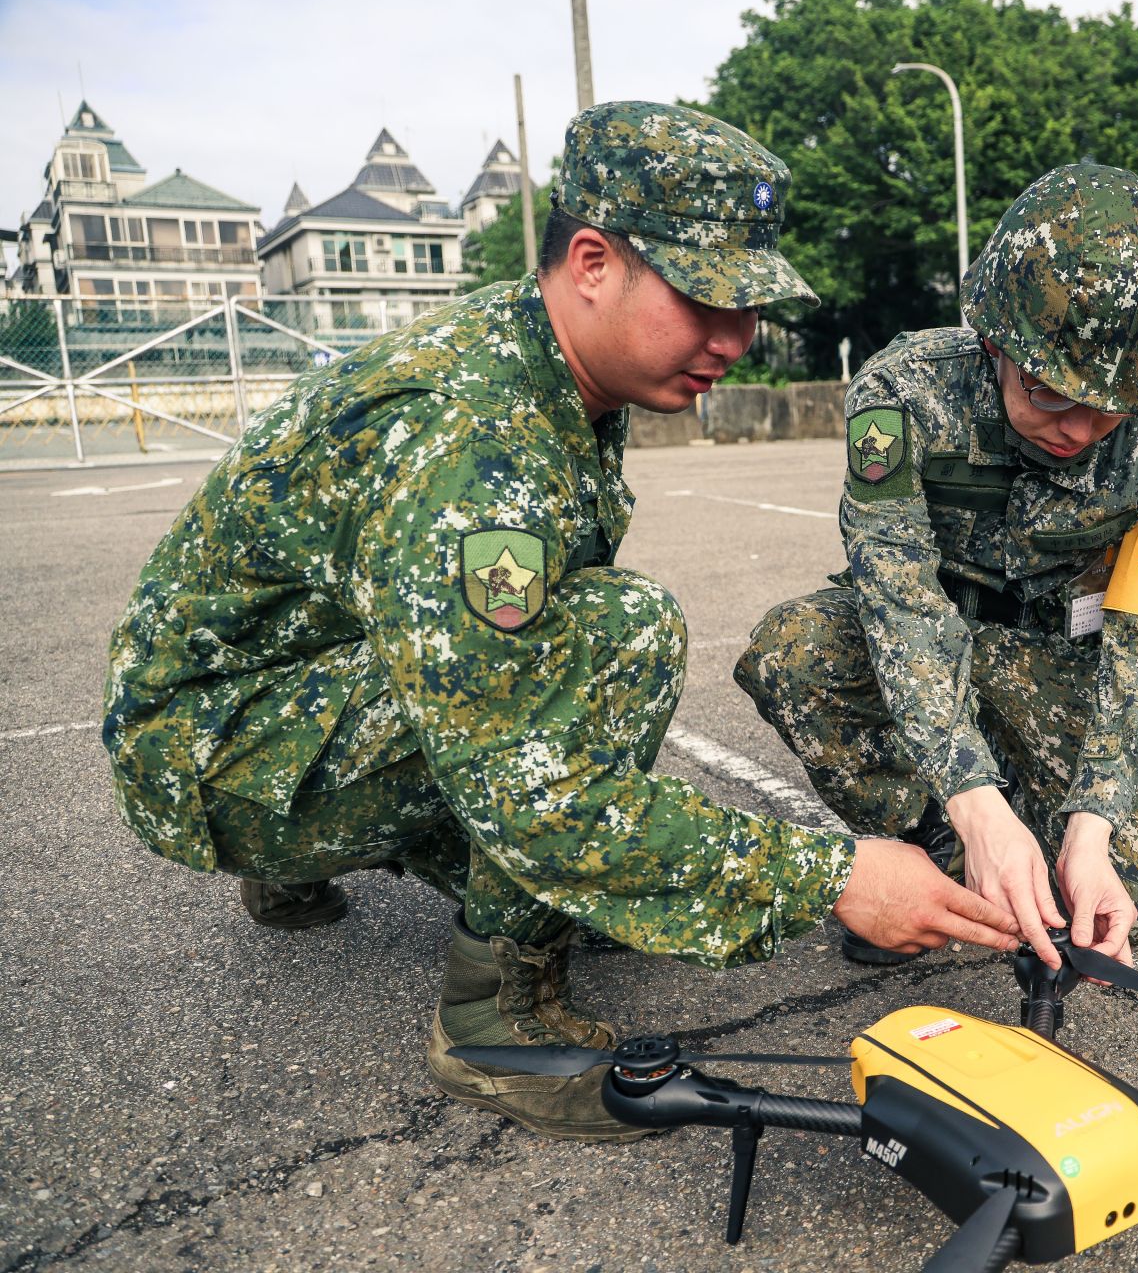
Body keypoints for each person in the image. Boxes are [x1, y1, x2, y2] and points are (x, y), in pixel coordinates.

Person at [101, 101, 1018, 1143]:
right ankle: (496, 1020)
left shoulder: (545, 353)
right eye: (704, 299)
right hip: (209, 755)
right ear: (591, 262)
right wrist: (835, 876)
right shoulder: (479, 444)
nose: (735, 339)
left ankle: (302, 859)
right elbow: (529, 787)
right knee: (618, 635)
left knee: (543, 673)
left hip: (255, 696)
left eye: (750, 306)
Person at [736, 163, 1138, 975]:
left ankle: (1040, 831)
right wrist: (973, 810)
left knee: (1136, 894)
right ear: (995, 343)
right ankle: (924, 852)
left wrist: (1094, 822)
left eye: (1106, 406)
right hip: (930, 645)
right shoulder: (904, 394)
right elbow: (897, 602)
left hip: (1054, 665)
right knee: (798, 651)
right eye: (1046, 391)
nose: (1074, 427)